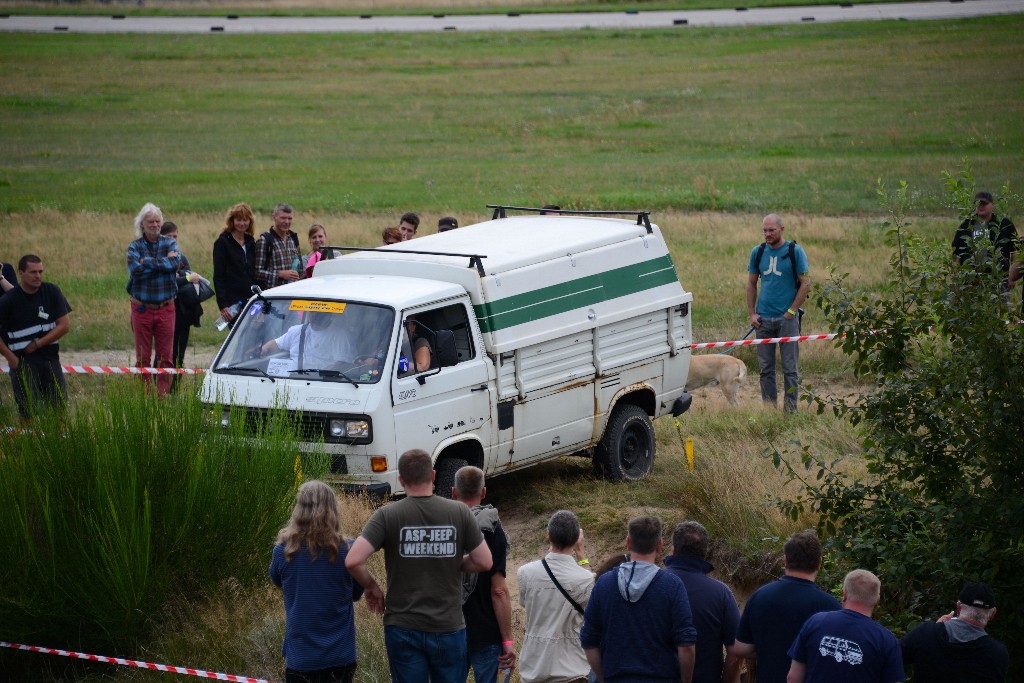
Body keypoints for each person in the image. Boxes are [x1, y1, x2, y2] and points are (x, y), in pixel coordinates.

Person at [344, 449, 492, 683]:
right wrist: (454, 562)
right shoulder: (459, 512)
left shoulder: (386, 515)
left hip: (402, 625)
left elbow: (353, 560)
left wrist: (372, 587)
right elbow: (485, 561)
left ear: (401, 479)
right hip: (448, 626)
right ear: (433, 475)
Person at [581, 515, 697, 683]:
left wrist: (603, 678)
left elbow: (588, 640)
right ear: (659, 545)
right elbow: (686, 645)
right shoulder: (672, 585)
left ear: (628, 542)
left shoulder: (604, 583)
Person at [270, 480, 364, 683]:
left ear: (298, 510)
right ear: (333, 510)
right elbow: (356, 594)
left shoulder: (283, 552)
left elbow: (277, 582)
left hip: (301, 658)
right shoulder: (349, 550)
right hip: (341, 656)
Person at [733, 530, 840, 683]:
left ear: (785, 560)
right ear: (819, 563)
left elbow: (740, 648)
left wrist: (769, 650)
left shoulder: (760, 596)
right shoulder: (831, 606)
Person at [452, 466, 517, 683]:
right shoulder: (492, 530)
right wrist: (507, 641)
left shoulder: (442, 527)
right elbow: (498, 590)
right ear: (484, 492)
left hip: (448, 631)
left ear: (453, 492)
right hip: (487, 633)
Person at [517, 510, 594, 683]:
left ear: (549, 535)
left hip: (533, 667)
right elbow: (592, 605)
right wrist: (581, 553)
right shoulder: (586, 579)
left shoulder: (525, 573)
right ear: (576, 540)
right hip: (571, 669)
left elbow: (525, 604)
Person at [786, 569, 903, 683]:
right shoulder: (887, 641)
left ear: (845, 594)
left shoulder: (816, 622)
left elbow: (793, 678)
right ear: (877, 601)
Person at [746, 213, 810, 412]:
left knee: (790, 370)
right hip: (763, 320)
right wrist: (752, 314)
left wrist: (791, 311)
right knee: (766, 370)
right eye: (765, 230)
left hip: (787, 321)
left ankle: (790, 412)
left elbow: (806, 283)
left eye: (771, 230)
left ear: (781, 229)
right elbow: (751, 283)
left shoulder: (795, 251)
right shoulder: (758, 252)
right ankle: (769, 411)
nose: (767, 234)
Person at [663, 521, 741, 683]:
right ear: (705, 552)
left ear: (674, 549)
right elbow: (735, 654)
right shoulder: (721, 593)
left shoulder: (652, 584)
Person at [0, 255, 72, 420]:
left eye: (40, 271)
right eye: (33, 272)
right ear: (21, 273)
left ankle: (58, 440)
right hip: (23, 363)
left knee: (59, 410)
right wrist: (10, 358)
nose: (38, 276)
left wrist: (38, 344)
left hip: (50, 359)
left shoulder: (52, 291)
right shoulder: (9, 300)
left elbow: (64, 325)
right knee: (28, 413)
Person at [901, 581, 1008, 682]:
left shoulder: (925, 633)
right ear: (993, 614)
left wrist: (934, 630)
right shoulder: (997, 654)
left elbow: (893, 657)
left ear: (958, 607)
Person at [126, 202, 180, 397]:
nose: (155, 225)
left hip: (166, 307)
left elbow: (174, 264)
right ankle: (145, 398)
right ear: (142, 224)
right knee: (143, 357)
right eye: (151, 221)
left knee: (166, 357)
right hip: (142, 309)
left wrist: (146, 262)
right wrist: (161, 265)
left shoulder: (170, 243)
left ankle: (162, 396)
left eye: (158, 221)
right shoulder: (134, 247)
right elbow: (135, 271)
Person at [160, 221, 204, 386]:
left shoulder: (182, 258)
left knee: (180, 353)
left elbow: (192, 281)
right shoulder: (158, 259)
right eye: (168, 237)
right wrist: (184, 279)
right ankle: (160, 387)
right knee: (164, 354)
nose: (172, 239)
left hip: (183, 313)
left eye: (175, 236)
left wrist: (182, 279)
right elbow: (165, 285)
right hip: (165, 312)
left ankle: (175, 388)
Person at [951, 191, 1018, 297]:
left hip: (998, 280)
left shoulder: (1004, 224)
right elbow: (957, 256)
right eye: (978, 204)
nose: (981, 206)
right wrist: (956, 279)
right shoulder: (965, 226)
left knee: (1001, 311)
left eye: (984, 203)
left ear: (993, 204)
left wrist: (1012, 276)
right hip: (971, 281)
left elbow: (1015, 252)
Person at [213, 202, 258, 329]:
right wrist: (223, 305)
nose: (242, 223)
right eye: (238, 219)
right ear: (232, 220)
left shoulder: (251, 242)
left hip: (252, 301)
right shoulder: (222, 242)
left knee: (252, 335)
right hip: (233, 303)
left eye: (245, 220)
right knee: (238, 336)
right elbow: (218, 276)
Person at [260, 312, 356, 369]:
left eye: (319, 314)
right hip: (292, 378)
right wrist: (264, 348)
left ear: (328, 314)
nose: (315, 316)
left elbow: (341, 365)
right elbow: (277, 343)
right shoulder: (296, 330)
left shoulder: (340, 336)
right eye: (313, 312)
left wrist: (312, 375)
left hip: (321, 381)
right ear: (309, 313)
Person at [256, 202, 304, 289]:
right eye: (283, 218)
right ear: (274, 217)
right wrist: (280, 274)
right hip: (274, 296)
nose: (287, 222)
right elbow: (257, 272)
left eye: (290, 218)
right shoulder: (265, 240)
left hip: (293, 293)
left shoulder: (293, 238)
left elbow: (300, 270)